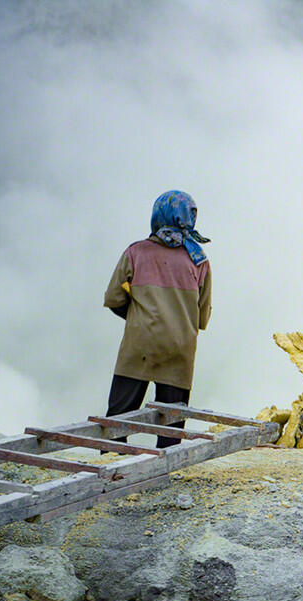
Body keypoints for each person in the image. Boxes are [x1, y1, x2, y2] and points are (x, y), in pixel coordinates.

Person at [102, 190, 211, 448]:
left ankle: (112, 468)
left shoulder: (135, 253)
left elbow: (113, 298)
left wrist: (137, 316)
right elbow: (202, 317)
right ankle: (166, 476)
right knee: (171, 426)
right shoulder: (199, 261)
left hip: (139, 345)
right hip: (179, 349)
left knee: (118, 419)